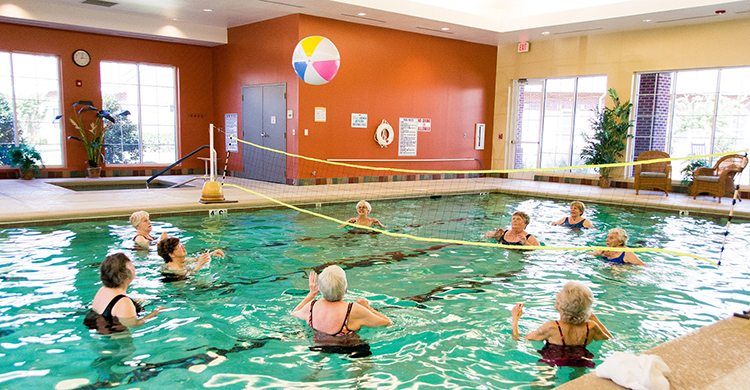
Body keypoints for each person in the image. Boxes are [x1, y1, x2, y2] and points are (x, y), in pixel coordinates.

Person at [291, 266, 392, 356]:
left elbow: (294, 313)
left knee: (318, 365)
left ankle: (316, 371)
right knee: (363, 362)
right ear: (346, 288)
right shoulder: (353, 310)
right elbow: (388, 323)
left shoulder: (311, 306)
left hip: (319, 346)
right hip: (349, 347)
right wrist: (368, 308)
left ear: (320, 290)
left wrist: (311, 295)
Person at [511, 281, 613, 368]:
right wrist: (591, 316)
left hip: (552, 359)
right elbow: (609, 338)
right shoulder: (591, 326)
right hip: (580, 360)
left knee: (542, 382)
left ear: (562, 306)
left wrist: (515, 317)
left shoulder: (551, 327)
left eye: (559, 297)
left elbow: (518, 338)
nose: (556, 295)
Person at [84, 253, 165, 334]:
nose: (134, 266)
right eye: (131, 265)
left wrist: (132, 303)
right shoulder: (123, 302)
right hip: (117, 338)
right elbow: (134, 324)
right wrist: (156, 312)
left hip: (102, 331)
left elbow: (112, 308)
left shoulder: (103, 290)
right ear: (124, 275)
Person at [157, 237, 225, 281]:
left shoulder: (185, 260)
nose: (184, 246)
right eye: (179, 246)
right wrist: (197, 267)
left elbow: (198, 259)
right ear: (171, 254)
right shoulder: (171, 271)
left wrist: (211, 254)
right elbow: (183, 286)